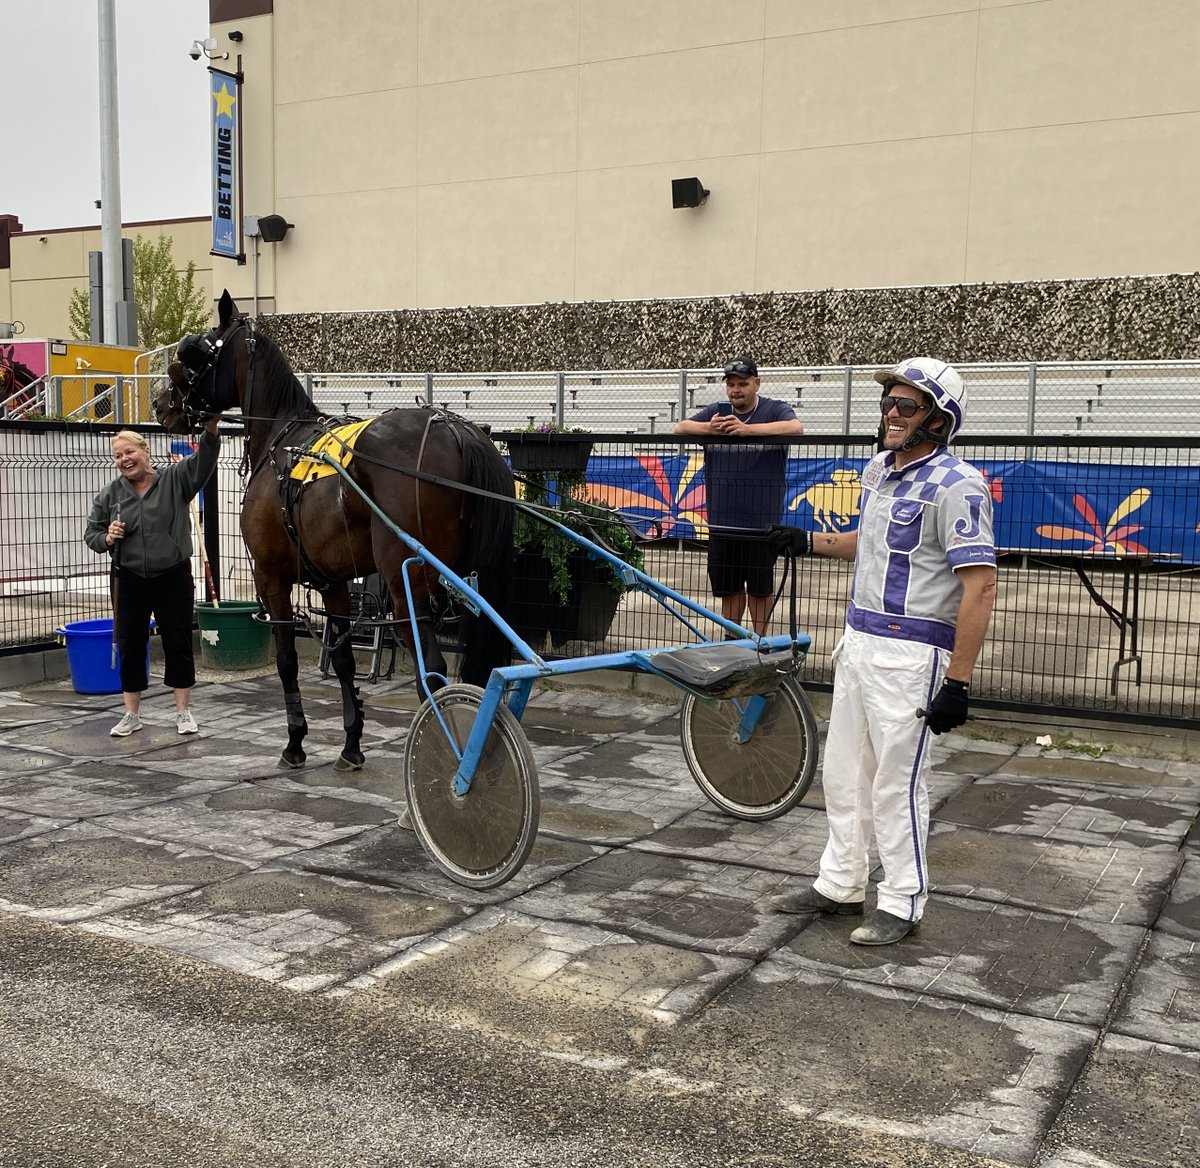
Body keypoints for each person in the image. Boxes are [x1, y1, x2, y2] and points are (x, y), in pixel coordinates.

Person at [766, 357, 996, 945]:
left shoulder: (958, 485)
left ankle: (902, 898)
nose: (891, 413)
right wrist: (808, 540)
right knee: (843, 773)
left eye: (907, 406)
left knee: (896, 782)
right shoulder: (878, 471)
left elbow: (980, 586)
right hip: (860, 643)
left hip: (913, 654)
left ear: (939, 421)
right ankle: (840, 885)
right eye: (888, 403)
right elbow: (866, 546)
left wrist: (959, 684)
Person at [85, 419, 221, 737]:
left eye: (129, 451)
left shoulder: (175, 480)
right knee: (131, 644)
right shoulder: (110, 494)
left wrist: (211, 430)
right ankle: (131, 714)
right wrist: (107, 537)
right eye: (117, 456)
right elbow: (91, 533)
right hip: (129, 577)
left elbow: (203, 461)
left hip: (172, 574)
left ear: (145, 452)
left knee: (178, 641)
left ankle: (183, 712)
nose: (124, 459)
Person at [674, 357, 804, 635]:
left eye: (743, 384)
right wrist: (710, 429)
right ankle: (732, 638)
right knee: (728, 586)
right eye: (731, 384)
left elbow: (795, 428)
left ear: (756, 384)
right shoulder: (716, 413)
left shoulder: (774, 409)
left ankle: (759, 639)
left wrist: (747, 431)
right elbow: (680, 427)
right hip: (722, 519)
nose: (736, 390)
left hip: (762, 521)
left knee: (760, 587)